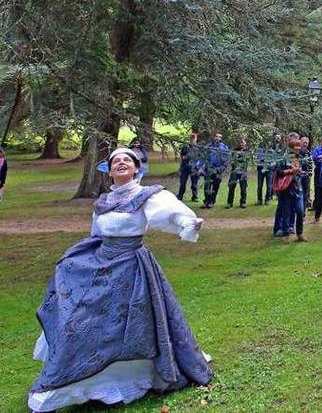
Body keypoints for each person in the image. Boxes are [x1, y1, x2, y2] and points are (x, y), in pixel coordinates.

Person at [28, 147, 211, 412]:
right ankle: (76, 378)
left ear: (137, 168)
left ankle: (128, 376)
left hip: (132, 271)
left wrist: (188, 222)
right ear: (110, 170)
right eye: (116, 161)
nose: (121, 162)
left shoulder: (147, 196)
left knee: (132, 323)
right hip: (100, 267)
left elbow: (169, 212)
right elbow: (96, 234)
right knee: (80, 319)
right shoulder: (102, 202)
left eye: (127, 159)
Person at [201, 133, 229, 209]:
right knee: (207, 186)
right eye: (216, 136)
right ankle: (206, 201)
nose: (217, 138)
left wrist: (222, 168)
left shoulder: (224, 147)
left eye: (219, 137)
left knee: (215, 187)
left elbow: (226, 160)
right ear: (214, 137)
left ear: (221, 139)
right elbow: (204, 156)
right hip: (208, 169)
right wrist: (202, 167)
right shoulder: (209, 146)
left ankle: (211, 202)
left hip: (218, 170)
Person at [255, 134, 282, 205]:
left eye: (269, 142)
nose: (268, 143)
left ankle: (267, 199)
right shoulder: (260, 149)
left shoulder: (273, 151)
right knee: (260, 185)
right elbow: (259, 159)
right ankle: (259, 200)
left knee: (269, 185)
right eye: (267, 142)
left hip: (269, 170)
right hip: (261, 169)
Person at [177, 132, 201, 202]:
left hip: (194, 168)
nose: (192, 140)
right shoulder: (185, 147)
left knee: (194, 184)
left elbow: (201, 158)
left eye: (194, 138)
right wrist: (180, 167)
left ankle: (195, 196)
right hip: (185, 167)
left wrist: (199, 167)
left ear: (196, 139)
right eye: (191, 138)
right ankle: (180, 196)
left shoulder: (198, 148)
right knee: (183, 183)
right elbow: (182, 157)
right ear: (189, 139)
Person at [225, 139, 249, 209]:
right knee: (231, 187)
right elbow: (233, 160)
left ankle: (243, 202)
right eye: (240, 142)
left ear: (245, 143)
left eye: (243, 142)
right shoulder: (234, 150)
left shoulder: (247, 151)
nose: (241, 144)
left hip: (243, 172)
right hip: (234, 171)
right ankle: (229, 203)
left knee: (243, 188)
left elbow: (245, 160)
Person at [300, 135, 313, 209]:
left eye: (306, 143)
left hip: (306, 177)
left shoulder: (308, 153)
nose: (305, 144)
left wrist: (309, 173)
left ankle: (303, 211)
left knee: (305, 193)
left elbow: (310, 164)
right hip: (297, 177)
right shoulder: (296, 152)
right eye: (304, 142)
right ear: (300, 142)